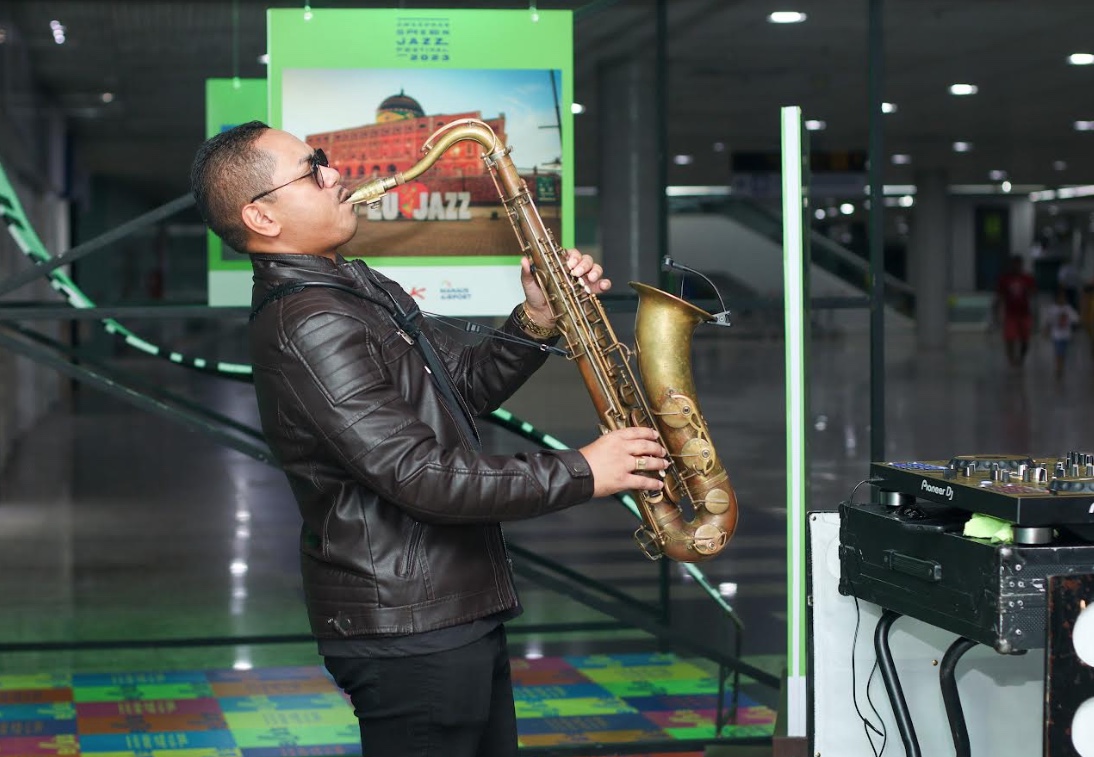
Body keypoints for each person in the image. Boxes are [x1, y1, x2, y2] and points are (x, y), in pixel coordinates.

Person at [190, 121, 668, 757]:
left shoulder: (352, 288)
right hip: (410, 630)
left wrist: (536, 318)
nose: (336, 176)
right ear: (262, 217)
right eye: (313, 170)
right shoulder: (310, 323)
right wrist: (584, 469)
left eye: (325, 161)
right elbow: (420, 475)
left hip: (442, 614)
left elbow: (459, 388)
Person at [993, 255, 1038, 367]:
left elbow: (1033, 294)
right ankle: (1011, 359)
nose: (1016, 267)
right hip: (1011, 314)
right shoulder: (1005, 279)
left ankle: (1021, 358)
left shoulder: (1027, 279)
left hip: (1024, 313)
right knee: (1010, 338)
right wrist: (995, 311)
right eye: (1014, 264)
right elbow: (999, 296)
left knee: (1025, 339)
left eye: (1018, 264)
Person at [1042, 288, 1081, 381]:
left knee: (1063, 352)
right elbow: (1048, 321)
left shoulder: (1068, 308)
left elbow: (1076, 319)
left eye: (1063, 297)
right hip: (1056, 334)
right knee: (1058, 351)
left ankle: (1061, 366)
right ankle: (1058, 368)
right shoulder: (1052, 309)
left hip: (1066, 335)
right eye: (1060, 297)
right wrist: (1046, 331)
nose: (1062, 299)